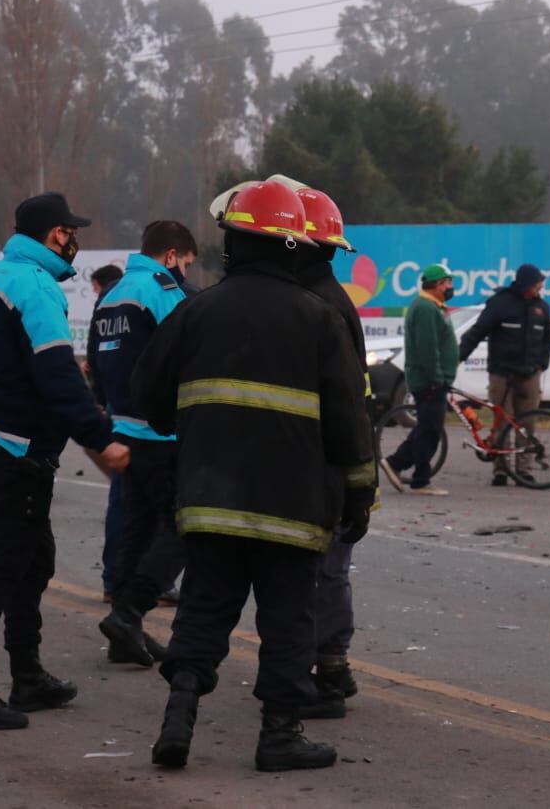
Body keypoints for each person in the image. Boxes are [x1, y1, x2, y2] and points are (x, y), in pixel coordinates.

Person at [134, 179, 375, 772]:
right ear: (292, 245)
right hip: (292, 509)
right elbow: (350, 421)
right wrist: (359, 495)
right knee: (288, 621)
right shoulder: (319, 320)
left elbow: (148, 397)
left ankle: (178, 721)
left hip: (210, 501)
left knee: (204, 611)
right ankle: (279, 736)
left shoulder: (195, 311)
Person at [0, 192, 130, 730]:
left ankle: (28, 677)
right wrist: (101, 436)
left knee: (33, 559)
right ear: (54, 235)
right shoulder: (37, 288)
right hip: (17, 450)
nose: (75, 240)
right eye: (71, 231)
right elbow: (56, 374)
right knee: (0, 569)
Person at [288, 182, 376, 720]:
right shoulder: (327, 298)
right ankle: (330, 664)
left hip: (328, 462)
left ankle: (328, 667)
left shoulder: (316, 305)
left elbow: (343, 401)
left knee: (321, 569)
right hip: (340, 459)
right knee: (327, 567)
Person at [94, 221, 197, 666]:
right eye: (187, 265)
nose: (186, 275)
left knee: (135, 530)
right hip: (162, 432)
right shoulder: (161, 290)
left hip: (124, 428)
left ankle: (125, 633)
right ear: (171, 255)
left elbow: (96, 364)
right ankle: (130, 612)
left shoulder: (111, 294)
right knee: (183, 526)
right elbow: (188, 354)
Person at [457, 263, 550, 486]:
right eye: (538, 282)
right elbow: (477, 332)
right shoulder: (501, 303)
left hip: (529, 374)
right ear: (526, 284)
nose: (540, 286)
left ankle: (524, 470)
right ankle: (500, 471)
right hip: (502, 374)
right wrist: (459, 356)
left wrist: (542, 364)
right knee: (502, 423)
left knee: (526, 423)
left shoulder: (542, 308)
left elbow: (548, 337)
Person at [379, 263, 458, 496]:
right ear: (435, 285)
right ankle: (419, 479)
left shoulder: (434, 306)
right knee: (429, 430)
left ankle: (397, 464)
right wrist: (436, 378)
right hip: (429, 381)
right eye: (447, 283)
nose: (450, 287)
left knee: (428, 429)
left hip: (435, 380)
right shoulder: (424, 308)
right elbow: (427, 348)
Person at [85, 262, 124, 604]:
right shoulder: (149, 295)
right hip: (146, 419)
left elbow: (94, 356)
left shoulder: (108, 303)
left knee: (122, 498)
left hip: (116, 407)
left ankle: (114, 581)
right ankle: (142, 584)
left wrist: (99, 399)